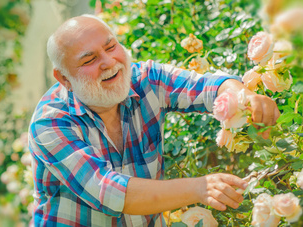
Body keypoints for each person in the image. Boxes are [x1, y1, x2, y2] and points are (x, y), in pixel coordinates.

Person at [27, 14, 280, 226]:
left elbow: (209, 86)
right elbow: (111, 192)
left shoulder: (146, 78)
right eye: (89, 60)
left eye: (111, 46)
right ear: (64, 78)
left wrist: (244, 96)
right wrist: (199, 188)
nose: (108, 62)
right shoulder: (50, 123)